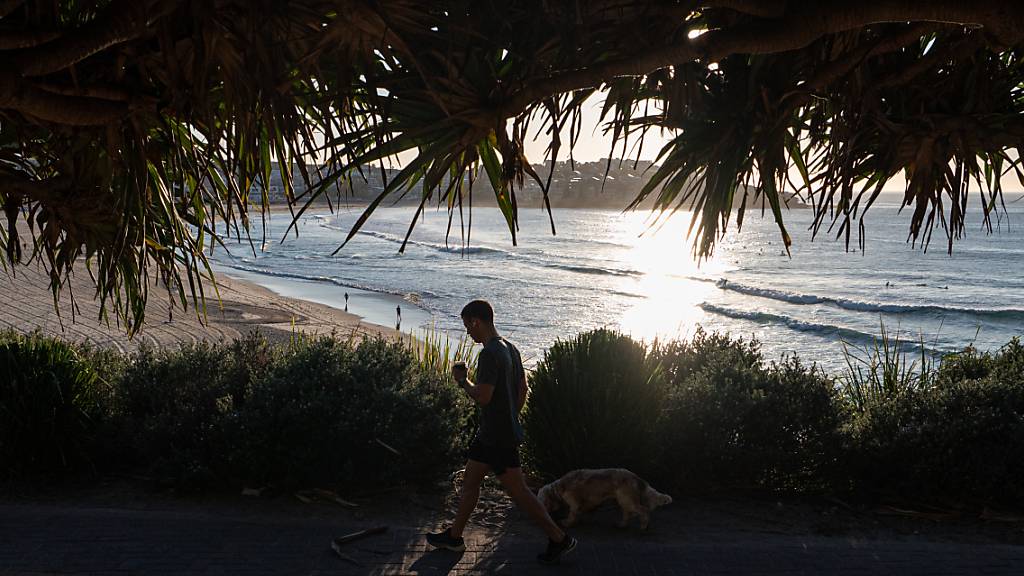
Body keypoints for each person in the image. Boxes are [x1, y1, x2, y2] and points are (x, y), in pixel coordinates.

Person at [426, 300, 577, 565]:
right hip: (494, 433)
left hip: (496, 437)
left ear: (476, 321)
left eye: (467, 326)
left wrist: (463, 381)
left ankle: (559, 538)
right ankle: (454, 537)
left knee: (519, 492)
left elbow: (483, 397)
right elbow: (523, 389)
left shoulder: (489, 354)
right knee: (470, 483)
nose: (468, 333)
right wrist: (510, 416)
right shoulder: (510, 348)